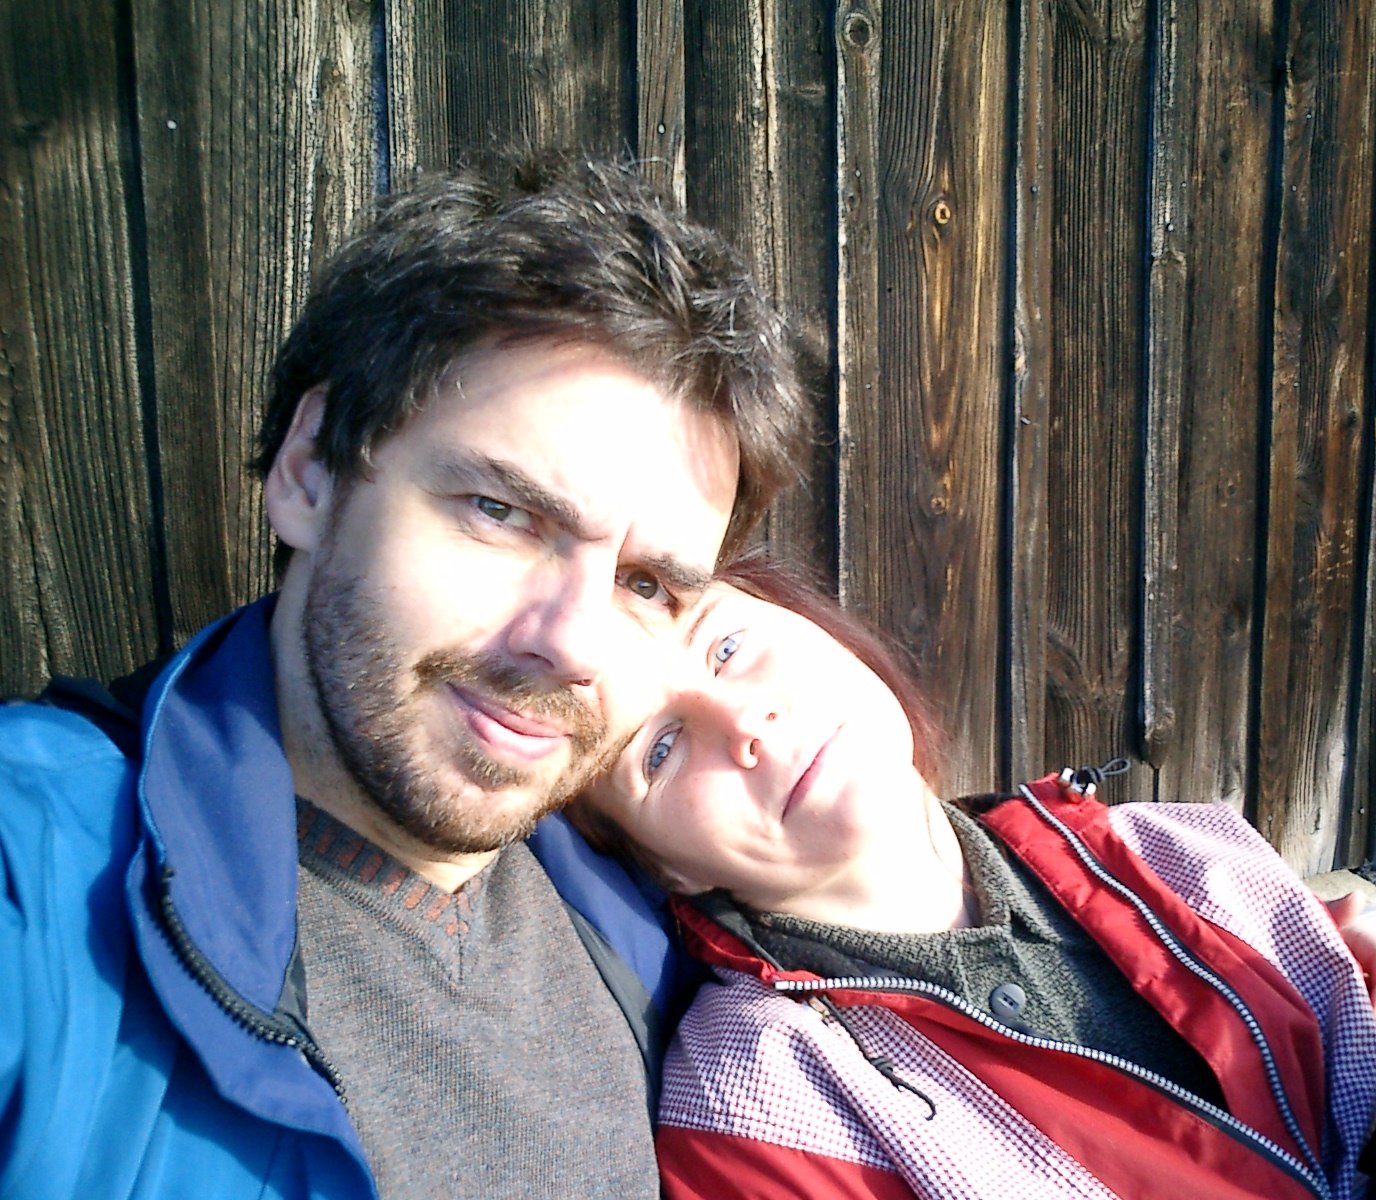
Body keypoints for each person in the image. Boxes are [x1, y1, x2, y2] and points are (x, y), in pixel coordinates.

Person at [0, 154, 807, 1199]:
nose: (574, 644)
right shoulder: (38, 877)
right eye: (501, 513)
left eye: (645, 583)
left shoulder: (650, 937)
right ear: (311, 471)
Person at [570, 555, 1376, 1200]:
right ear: (659, 866)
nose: (744, 722)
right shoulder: (757, 1101)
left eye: (728, 646)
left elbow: (1364, 1096)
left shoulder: (1168, 849)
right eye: (659, 749)